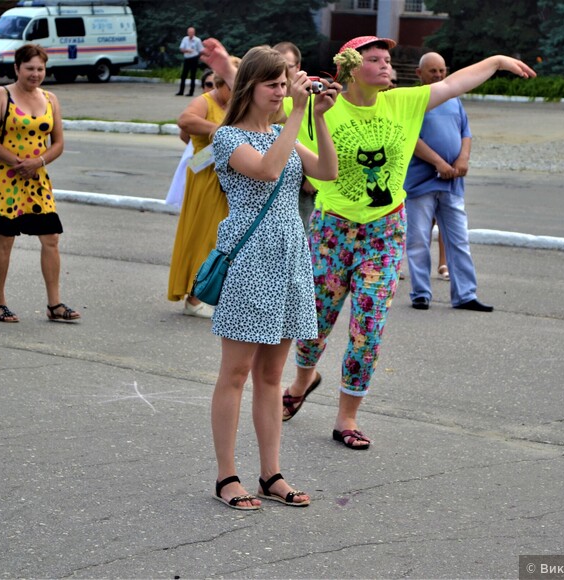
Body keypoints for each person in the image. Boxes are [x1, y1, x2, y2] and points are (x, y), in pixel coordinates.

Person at [200, 35, 534, 450]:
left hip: (384, 230)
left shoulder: (403, 103)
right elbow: (262, 91)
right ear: (352, 67)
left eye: (388, 58)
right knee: (315, 324)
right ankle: (304, 378)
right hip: (331, 228)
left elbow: (454, 84)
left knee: (369, 326)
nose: (386, 65)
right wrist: (227, 66)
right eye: (375, 59)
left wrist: (498, 57)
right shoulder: (320, 101)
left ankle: (347, 417)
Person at [208, 46, 339, 509]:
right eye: (274, 85)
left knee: (270, 377)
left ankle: (271, 474)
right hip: (250, 258)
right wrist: (297, 116)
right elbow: (265, 171)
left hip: (289, 258)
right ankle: (227, 477)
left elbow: (326, 172)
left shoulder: (285, 130)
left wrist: (318, 117)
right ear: (250, 86)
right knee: (236, 373)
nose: (282, 92)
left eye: (286, 85)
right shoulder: (228, 138)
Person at [0, 44, 80, 324]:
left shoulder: (50, 98)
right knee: (5, 239)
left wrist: (38, 163)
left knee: (51, 239)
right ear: (17, 68)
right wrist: (18, 162)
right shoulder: (1, 95)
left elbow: (58, 144)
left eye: (40, 68)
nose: (35, 74)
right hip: (7, 179)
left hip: (38, 179)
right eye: (29, 68)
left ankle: (54, 304)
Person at [405, 52, 492, 312]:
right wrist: (438, 164)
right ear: (419, 74)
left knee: (458, 239)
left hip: (452, 183)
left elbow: (465, 132)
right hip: (420, 184)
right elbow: (409, 138)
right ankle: (421, 293)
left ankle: (465, 294)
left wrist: (463, 158)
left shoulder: (454, 100)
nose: (439, 75)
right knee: (418, 239)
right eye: (433, 71)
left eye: (442, 70)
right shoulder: (413, 101)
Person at [168, 58, 240, 318]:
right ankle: (194, 297)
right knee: (205, 236)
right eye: (232, 87)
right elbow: (184, 122)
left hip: (229, 180)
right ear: (221, 83)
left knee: (224, 238)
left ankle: (213, 293)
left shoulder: (235, 103)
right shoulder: (206, 101)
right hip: (206, 178)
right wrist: (220, 131)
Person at [272, 41, 316, 231]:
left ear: (298, 67)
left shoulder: (311, 99)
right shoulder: (271, 97)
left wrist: (312, 178)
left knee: (300, 231)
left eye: (286, 66)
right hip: (273, 175)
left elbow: (323, 136)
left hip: (303, 180)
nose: (281, 71)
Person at [165, 69, 216, 210]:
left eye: (217, 84)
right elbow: (184, 133)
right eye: (209, 84)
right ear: (203, 86)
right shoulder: (201, 104)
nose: (212, 88)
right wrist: (202, 149)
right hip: (203, 159)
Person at [175, 27, 203, 97]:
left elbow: (201, 50)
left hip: (194, 58)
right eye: (189, 32)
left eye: (192, 32)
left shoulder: (197, 40)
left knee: (192, 75)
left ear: (194, 33)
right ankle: (181, 91)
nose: (190, 33)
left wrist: (199, 57)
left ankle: (191, 92)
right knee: (183, 75)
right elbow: (181, 48)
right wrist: (187, 50)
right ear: (187, 32)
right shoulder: (185, 39)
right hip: (187, 58)